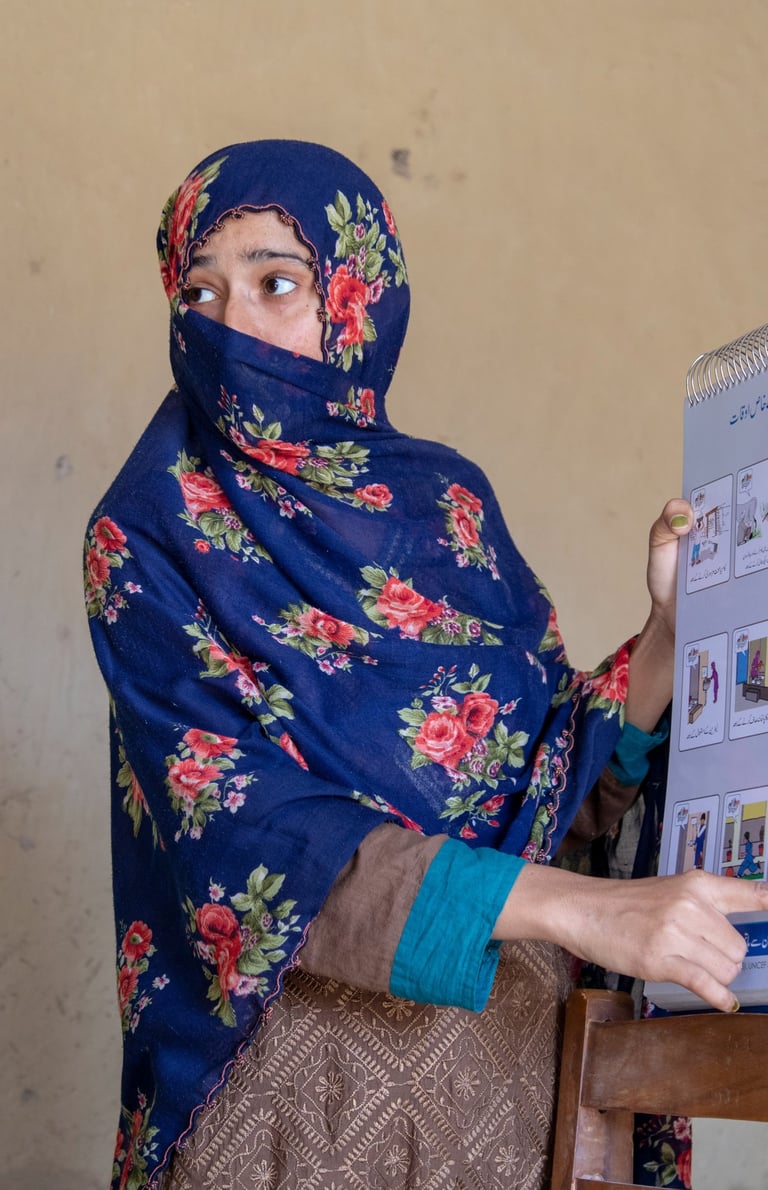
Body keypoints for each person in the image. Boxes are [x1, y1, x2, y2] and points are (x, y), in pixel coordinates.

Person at [84, 141, 768, 1190]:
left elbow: (555, 789)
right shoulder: (151, 531)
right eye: (200, 291)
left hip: (518, 1099)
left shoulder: (448, 507)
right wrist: (579, 910)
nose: (230, 325)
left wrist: (672, 633)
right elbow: (244, 827)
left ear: (359, 299)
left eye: (276, 282)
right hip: (295, 1111)